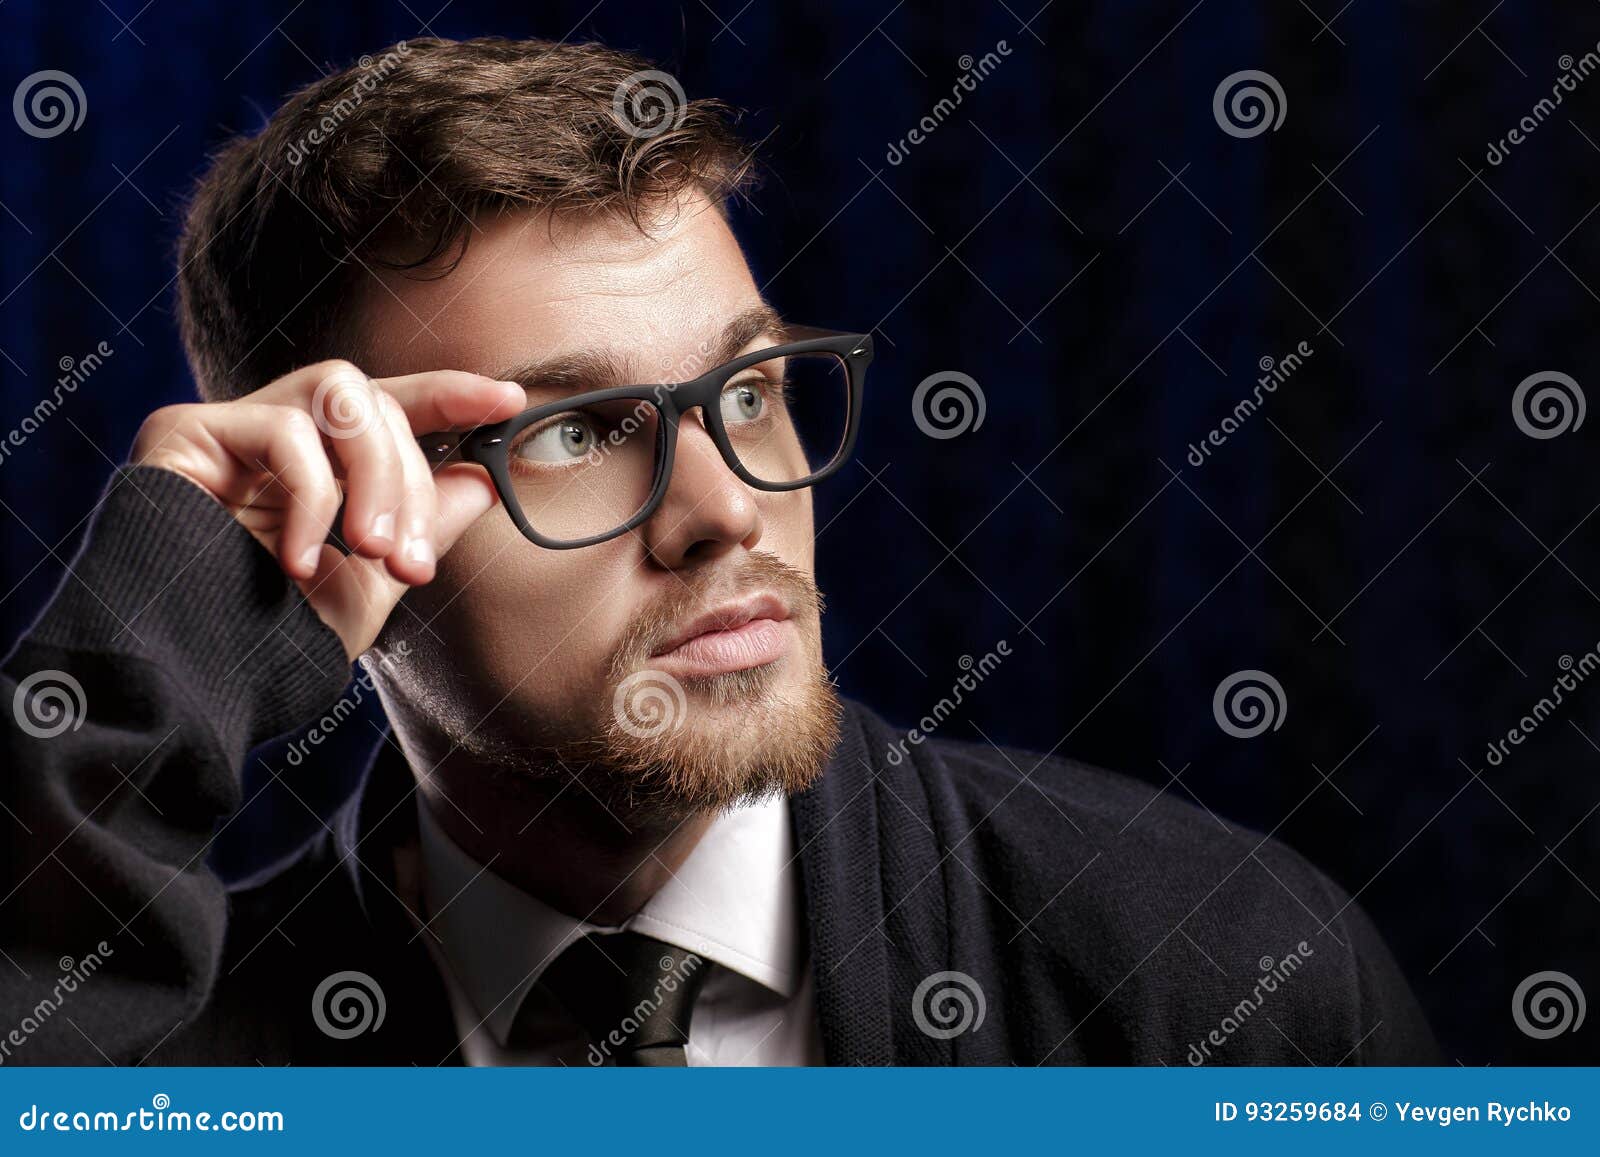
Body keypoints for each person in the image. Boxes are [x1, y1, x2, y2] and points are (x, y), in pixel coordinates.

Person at [0, 36, 1437, 1066]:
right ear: (340, 503)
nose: (727, 510)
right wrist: (159, 635)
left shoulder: (1223, 979)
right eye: (576, 431)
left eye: (746, 393)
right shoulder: (170, 1062)